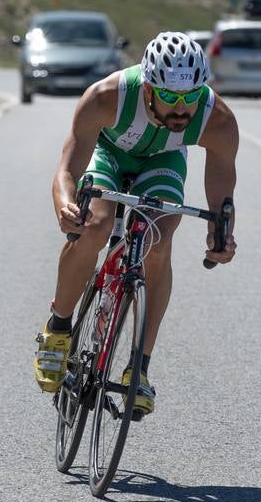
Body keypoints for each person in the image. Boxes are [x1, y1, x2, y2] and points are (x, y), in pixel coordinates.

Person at [32, 32, 239, 415]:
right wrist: (64, 204)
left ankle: (138, 369)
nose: (182, 108)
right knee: (94, 225)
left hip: (163, 162)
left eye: (191, 97)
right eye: (171, 97)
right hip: (107, 156)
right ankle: (58, 331)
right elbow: (66, 170)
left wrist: (221, 234)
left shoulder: (218, 119)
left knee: (158, 239)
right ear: (147, 88)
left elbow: (222, 192)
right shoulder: (106, 97)